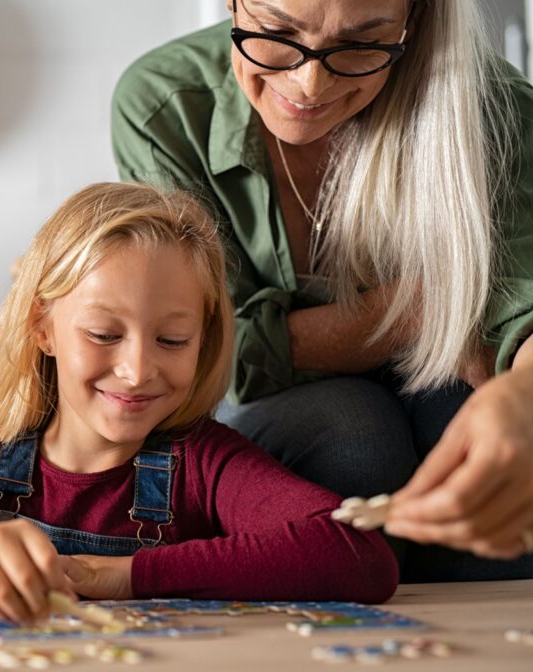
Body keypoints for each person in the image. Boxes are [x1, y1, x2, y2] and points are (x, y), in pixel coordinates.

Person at [0, 182, 398, 619]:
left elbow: (359, 554)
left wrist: (129, 576)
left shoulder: (205, 465)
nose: (136, 370)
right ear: (42, 329)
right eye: (104, 335)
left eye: (173, 339)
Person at [112, 0, 533, 582]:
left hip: (440, 378)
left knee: (478, 442)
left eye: (362, 43)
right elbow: (207, 350)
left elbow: (520, 307)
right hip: (285, 400)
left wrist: (524, 399)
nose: (310, 83)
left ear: (415, 22)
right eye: (277, 32)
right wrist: (414, 312)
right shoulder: (164, 104)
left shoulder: (495, 106)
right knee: (354, 438)